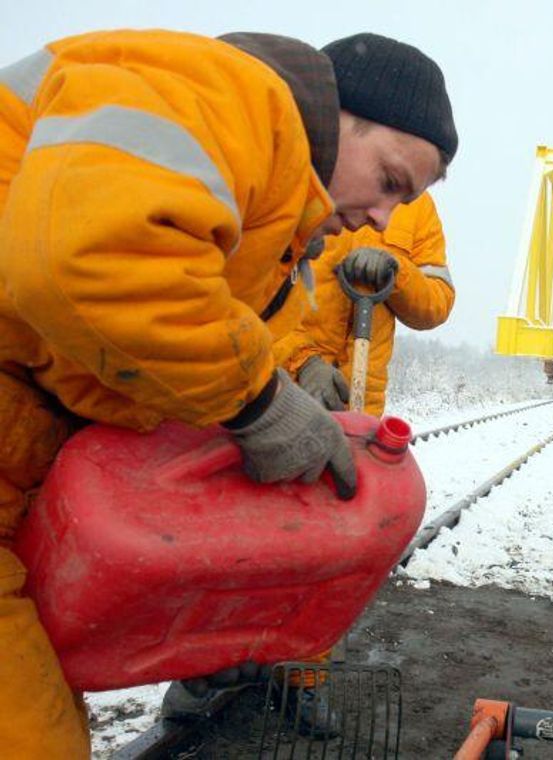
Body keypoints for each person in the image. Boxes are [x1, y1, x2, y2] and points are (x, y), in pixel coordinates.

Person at [0, 28, 456, 755]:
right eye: (392, 180)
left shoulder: (270, 211)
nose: (383, 217)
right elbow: (93, 261)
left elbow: (201, 308)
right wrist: (258, 403)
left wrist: (289, 372)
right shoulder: (227, 94)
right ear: (341, 114)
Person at [278, 191, 454, 417]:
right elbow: (251, 296)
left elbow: (437, 304)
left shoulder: (417, 203)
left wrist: (397, 273)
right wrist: (302, 362)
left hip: (360, 405)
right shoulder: (317, 173)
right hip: (279, 390)